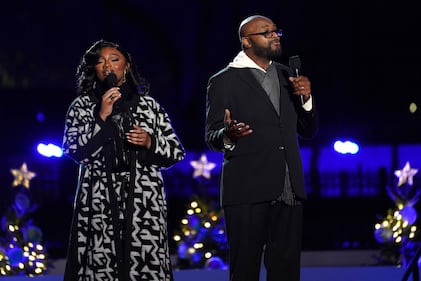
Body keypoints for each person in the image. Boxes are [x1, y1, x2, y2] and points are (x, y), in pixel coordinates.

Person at [205, 15, 319, 281]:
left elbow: (309, 131)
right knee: (245, 270)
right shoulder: (224, 80)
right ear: (246, 41)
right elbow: (211, 135)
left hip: (288, 188)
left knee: (286, 271)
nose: (275, 35)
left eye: (276, 31)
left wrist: (307, 99)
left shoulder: (287, 75)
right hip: (246, 190)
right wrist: (228, 133)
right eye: (266, 32)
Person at [62, 39, 185, 281]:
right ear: (93, 70)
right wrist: (101, 117)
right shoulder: (82, 106)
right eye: (100, 62)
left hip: (143, 202)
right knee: (100, 267)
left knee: (144, 267)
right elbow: (72, 149)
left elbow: (175, 152)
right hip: (98, 201)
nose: (107, 66)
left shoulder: (149, 106)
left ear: (126, 66)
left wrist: (150, 142)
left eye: (114, 60)